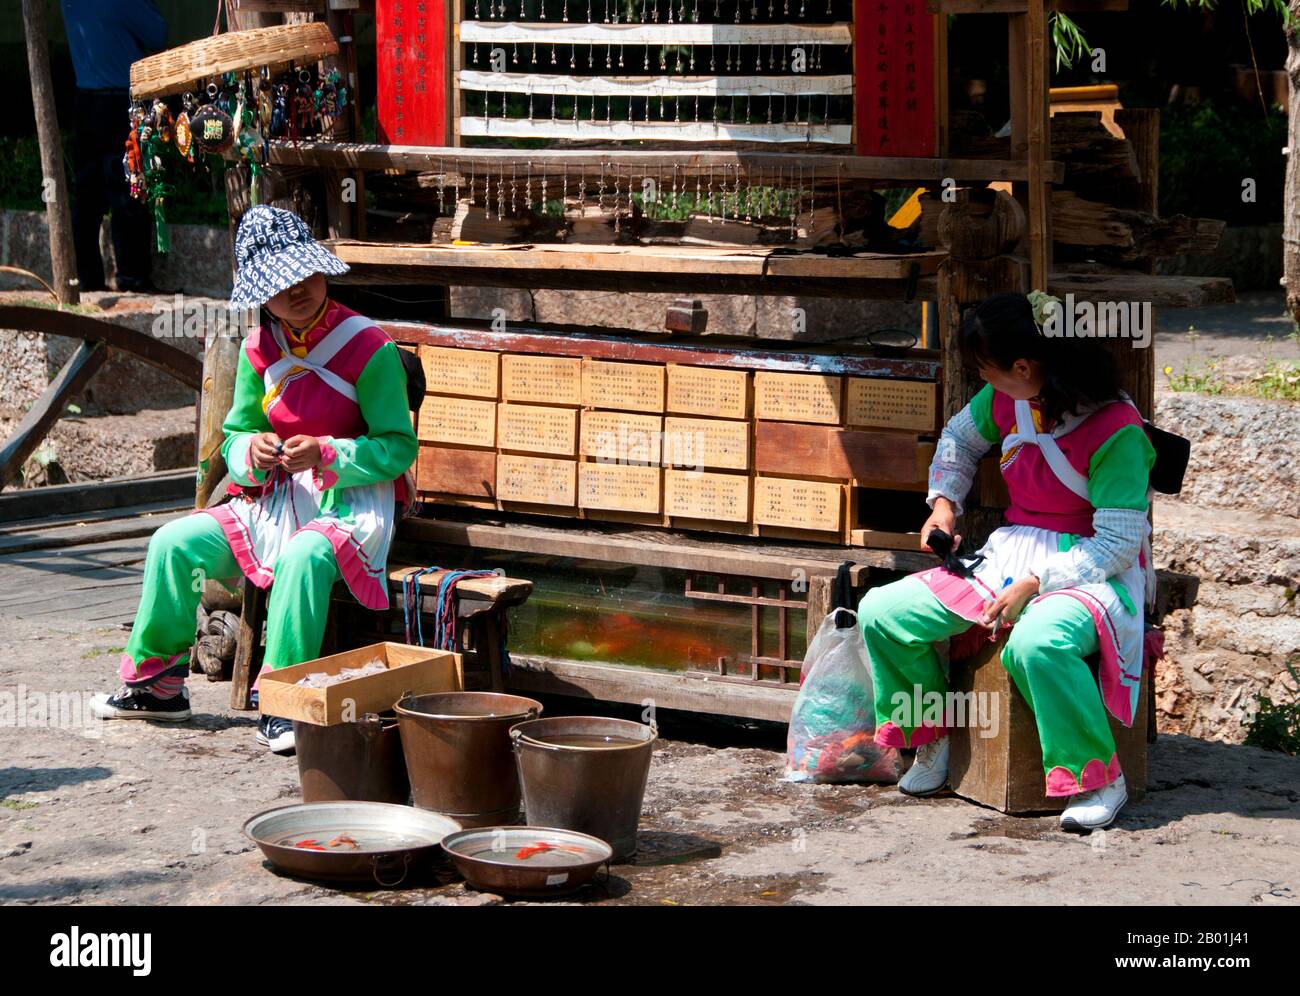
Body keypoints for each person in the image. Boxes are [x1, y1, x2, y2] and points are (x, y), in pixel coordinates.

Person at [91, 206, 419, 755]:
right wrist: (252, 451)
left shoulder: (370, 347)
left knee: (302, 556)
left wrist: (328, 451)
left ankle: (283, 701)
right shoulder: (256, 349)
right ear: (260, 294)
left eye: (305, 274)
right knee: (172, 543)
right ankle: (158, 686)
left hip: (354, 500)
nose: (297, 291)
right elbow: (237, 433)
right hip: (277, 496)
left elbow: (397, 447)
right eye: (280, 283)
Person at [857, 292, 1156, 832]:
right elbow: (957, 440)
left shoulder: (1118, 431)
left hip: (1092, 572)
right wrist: (944, 505)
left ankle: (1096, 777)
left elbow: (1115, 547)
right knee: (883, 611)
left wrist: (1039, 584)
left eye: (987, 372)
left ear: (1024, 366)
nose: (984, 383)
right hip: (1011, 554)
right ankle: (932, 739)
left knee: (1038, 643)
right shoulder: (1008, 400)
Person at [62, 0, 168, 292]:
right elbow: (158, 35)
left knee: (87, 197)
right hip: (120, 101)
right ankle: (133, 277)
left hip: (84, 100)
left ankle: (87, 278)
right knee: (130, 190)